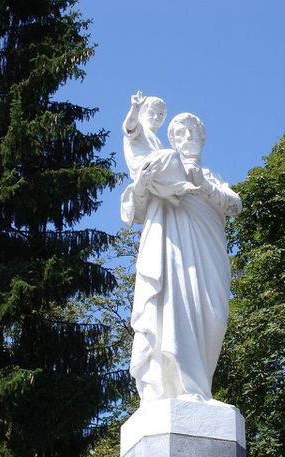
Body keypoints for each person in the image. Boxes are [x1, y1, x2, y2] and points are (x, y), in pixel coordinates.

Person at [122, 110, 242, 404]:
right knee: (175, 310)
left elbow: (235, 204)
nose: (187, 137)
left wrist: (203, 183)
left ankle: (201, 387)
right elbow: (135, 210)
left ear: (202, 138)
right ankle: (181, 389)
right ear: (172, 140)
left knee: (213, 318)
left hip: (209, 254)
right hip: (173, 252)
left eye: (192, 132)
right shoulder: (165, 168)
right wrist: (142, 184)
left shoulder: (212, 176)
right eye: (180, 133)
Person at [121, 92, 197, 226]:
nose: (156, 117)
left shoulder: (156, 140)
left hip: (156, 168)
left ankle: (176, 191)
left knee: (174, 158)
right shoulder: (139, 128)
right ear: (143, 113)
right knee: (171, 154)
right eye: (152, 113)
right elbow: (129, 125)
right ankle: (180, 187)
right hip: (145, 167)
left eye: (161, 115)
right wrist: (135, 108)